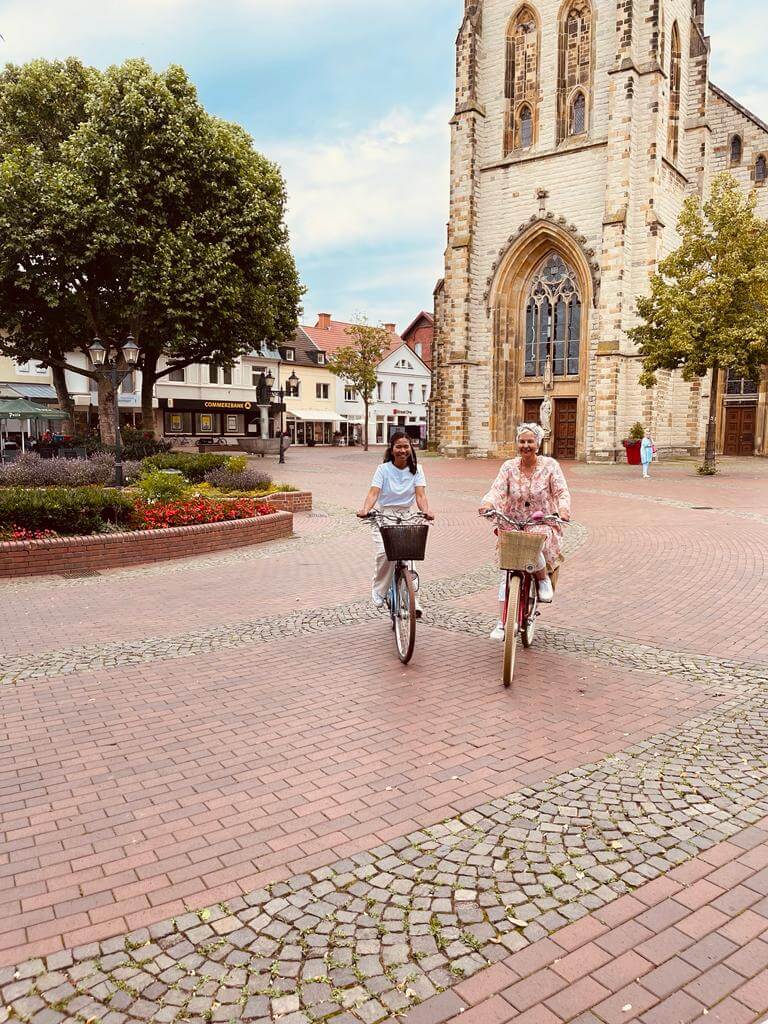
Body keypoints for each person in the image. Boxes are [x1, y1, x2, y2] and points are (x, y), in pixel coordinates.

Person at [478, 422, 571, 641]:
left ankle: (541, 580)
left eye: (530, 442)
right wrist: (488, 504)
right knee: (506, 571)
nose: (526, 445)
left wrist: (564, 510)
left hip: (541, 522)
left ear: (538, 444)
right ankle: (502, 622)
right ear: (517, 443)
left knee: (535, 541)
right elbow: (497, 490)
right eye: (522, 441)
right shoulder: (509, 467)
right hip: (512, 521)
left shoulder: (550, 466)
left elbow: (561, 491)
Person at [357, 431, 434, 610]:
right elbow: (373, 493)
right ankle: (379, 590)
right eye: (398, 446)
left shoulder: (417, 469)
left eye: (406, 446)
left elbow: (421, 495)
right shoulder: (383, 470)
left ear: (411, 448)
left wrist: (426, 511)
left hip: (407, 515)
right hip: (385, 516)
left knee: (409, 553)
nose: (402, 450)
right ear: (391, 449)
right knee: (385, 553)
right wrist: (366, 510)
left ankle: (411, 597)